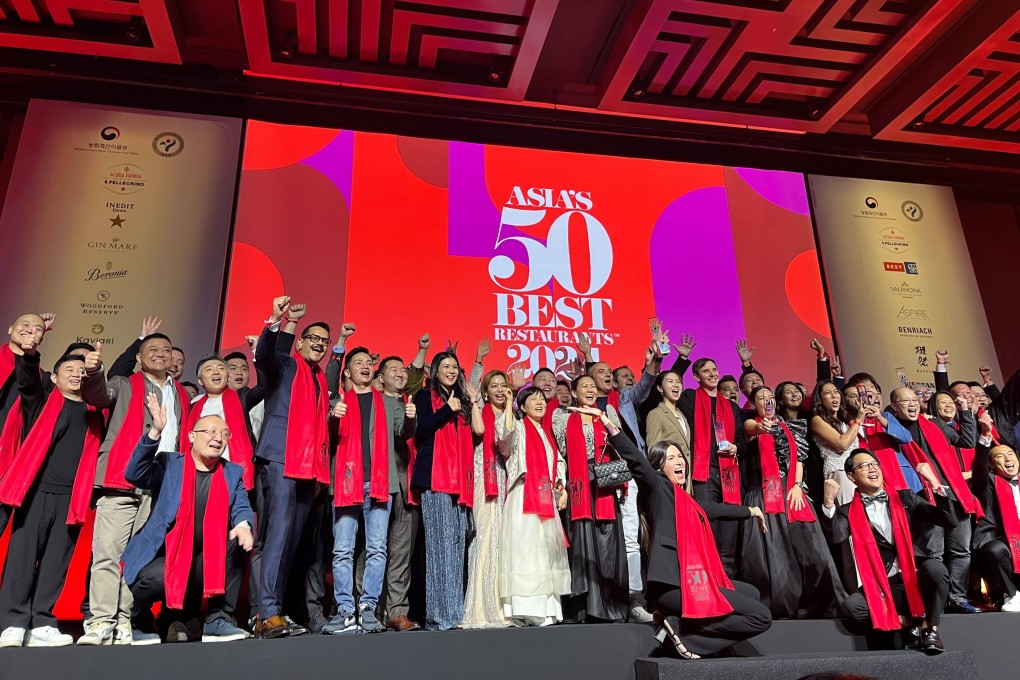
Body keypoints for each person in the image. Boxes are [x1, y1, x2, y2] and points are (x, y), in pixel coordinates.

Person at [604, 407, 771, 658]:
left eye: (680, 456)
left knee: (752, 593)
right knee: (761, 617)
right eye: (671, 458)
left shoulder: (689, 503)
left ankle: (682, 626)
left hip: (693, 583)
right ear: (659, 467)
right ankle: (688, 637)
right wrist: (608, 424)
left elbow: (716, 509)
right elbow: (636, 461)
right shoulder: (658, 489)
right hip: (671, 587)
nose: (680, 461)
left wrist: (752, 511)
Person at [80, 333, 192, 645]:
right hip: (121, 480)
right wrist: (93, 371)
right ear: (139, 358)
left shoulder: (181, 394)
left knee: (136, 560)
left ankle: (123, 620)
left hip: (159, 488)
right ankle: (101, 620)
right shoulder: (125, 383)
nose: (160, 354)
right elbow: (98, 396)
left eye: (166, 350)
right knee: (107, 554)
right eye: (152, 350)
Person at [122, 395, 253, 643]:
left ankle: (218, 619)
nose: (218, 438)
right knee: (157, 577)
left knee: (237, 541)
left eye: (225, 434)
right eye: (211, 431)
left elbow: (242, 508)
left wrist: (244, 525)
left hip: (203, 560)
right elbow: (134, 474)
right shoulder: (170, 463)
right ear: (192, 436)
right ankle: (139, 617)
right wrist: (155, 432)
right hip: (163, 556)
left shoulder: (232, 472)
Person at [0, 353, 101, 648]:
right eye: (68, 369)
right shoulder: (43, 403)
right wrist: (31, 357)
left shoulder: (97, 411)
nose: (76, 374)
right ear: (54, 378)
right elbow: (29, 382)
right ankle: (12, 623)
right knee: (21, 558)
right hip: (36, 493)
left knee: (57, 562)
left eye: (81, 371)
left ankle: (41, 622)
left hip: (72, 498)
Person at [251, 297, 332, 639]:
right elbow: (264, 356)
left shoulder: (319, 379)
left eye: (324, 342)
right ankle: (265, 612)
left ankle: (277, 611)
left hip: (307, 465)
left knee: (293, 542)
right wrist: (278, 319)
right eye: (313, 338)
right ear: (300, 342)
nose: (319, 344)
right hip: (282, 456)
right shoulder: (286, 365)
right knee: (278, 536)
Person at [821, 449, 955, 654]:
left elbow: (947, 520)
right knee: (852, 608)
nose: (872, 469)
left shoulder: (906, 497)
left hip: (914, 577)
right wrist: (829, 503)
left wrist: (936, 485)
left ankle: (930, 628)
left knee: (936, 570)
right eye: (864, 466)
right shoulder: (847, 510)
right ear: (851, 477)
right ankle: (910, 622)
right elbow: (835, 536)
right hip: (883, 582)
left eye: (874, 464)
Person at [324, 347, 413, 635]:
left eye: (368, 363)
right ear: (347, 372)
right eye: (357, 363)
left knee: (377, 549)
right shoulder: (339, 403)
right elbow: (326, 435)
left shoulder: (388, 402)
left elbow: (404, 432)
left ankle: (368, 608)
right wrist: (332, 416)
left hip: (378, 484)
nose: (364, 366)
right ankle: (345, 610)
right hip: (346, 484)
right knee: (342, 551)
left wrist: (411, 416)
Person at [737, 386, 845, 618]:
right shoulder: (750, 424)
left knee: (811, 547)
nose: (767, 401)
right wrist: (763, 426)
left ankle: (817, 604)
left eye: (769, 397)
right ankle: (778, 607)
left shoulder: (787, 426)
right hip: (764, 494)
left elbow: (798, 461)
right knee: (775, 553)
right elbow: (755, 428)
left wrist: (797, 486)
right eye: (760, 398)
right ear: (753, 404)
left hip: (791, 490)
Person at [886, 385, 984, 614]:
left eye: (914, 400)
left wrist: (966, 412)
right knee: (933, 552)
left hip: (955, 494)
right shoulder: (892, 428)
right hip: (925, 497)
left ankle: (958, 597)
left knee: (961, 550)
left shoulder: (934, 424)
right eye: (905, 401)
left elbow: (967, 441)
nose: (912, 404)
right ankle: (935, 600)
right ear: (893, 406)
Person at [411, 351, 483, 631]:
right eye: (446, 366)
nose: (451, 371)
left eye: (455, 366)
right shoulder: (423, 397)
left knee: (455, 547)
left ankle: (455, 611)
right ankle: (438, 614)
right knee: (439, 548)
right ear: (435, 371)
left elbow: (478, 433)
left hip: (459, 482)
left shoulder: (463, 402)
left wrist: (467, 402)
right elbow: (419, 430)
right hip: (434, 479)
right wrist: (446, 410)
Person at [552, 375, 628, 623]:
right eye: (584, 386)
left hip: (604, 480)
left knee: (607, 541)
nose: (590, 390)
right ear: (574, 392)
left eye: (593, 387)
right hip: (580, 482)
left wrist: (602, 419)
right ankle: (583, 608)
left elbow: (619, 442)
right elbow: (562, 450)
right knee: (582, 541)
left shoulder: (607, 412)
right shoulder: (563, 418)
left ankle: (609, 605)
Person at [496, 385, 570, 626]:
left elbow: (557, 462)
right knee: (526, 552)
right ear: (523, 406)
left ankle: (547, 609)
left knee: (546, 552)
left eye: (542, 399)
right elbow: (504, 439)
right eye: (533, 399)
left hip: (546, 497)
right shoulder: (518, 426)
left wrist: (562, 487)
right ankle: (526, 609)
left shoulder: (546, 433)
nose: (539, 402)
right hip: (524, 495)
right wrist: (509, 404)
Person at [677, 357, 744, 574]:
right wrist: (681, 359)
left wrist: (736, 447)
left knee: (729, 527)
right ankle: (709, 575)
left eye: (714, 369)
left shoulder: (732, 407)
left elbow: (743, 439)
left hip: (728, 472)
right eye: (706, 371)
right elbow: (672, 383)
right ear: (697, 377)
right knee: (707, 523)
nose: (712, 374)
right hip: (702, 472)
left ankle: (729, 576)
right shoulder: (689, 398)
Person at [463, 370, 511, 628]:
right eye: (494, 386)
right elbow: (479, 430)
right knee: (483, 540)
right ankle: (479, 608)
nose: (500, 390)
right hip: (484, 479)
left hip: (506, 481)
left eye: (504, 385)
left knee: (502, 543)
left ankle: (503, 607)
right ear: (486, 391)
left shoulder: (512, 415)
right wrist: (473, 402)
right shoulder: (480, 409)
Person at [376, 355, 421, 632]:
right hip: (379, 484)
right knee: (372, 549)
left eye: (403, 370)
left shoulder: (408, 405)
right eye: (393, 369)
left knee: (401, 553)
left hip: (406, 487)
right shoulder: (373, 401)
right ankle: (368, 608)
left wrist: (410, 420)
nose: (400, 373)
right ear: (380, 378)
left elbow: (404, 431)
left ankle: (397, 611)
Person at [0, 312, 50, 535]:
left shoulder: (42, 379)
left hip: (7, 465)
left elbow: (31, 396)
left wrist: (30, 354)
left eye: (38, 329)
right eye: (25, 325)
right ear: (10, 328)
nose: (31, 330)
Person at [185, 355, 259, 492]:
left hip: (233, 473)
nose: (216, 372)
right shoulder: (193, 407)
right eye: (209, 369)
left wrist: (256, 353)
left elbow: (264, 386)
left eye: (221, 368)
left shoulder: (241, 397)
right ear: (200, 381)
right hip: (200, 474)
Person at [971, 444, 1020, 611]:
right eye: (1000, 456)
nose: (1007, 459)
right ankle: (1011, 595)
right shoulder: (988, 482)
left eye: (1010, 454)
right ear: (991, 464)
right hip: (1000, 539)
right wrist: (984, 442)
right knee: (996, 550)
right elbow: (979, 473)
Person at [810, 381, 863, 505]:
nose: (834, 396)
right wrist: (859, 420)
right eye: (828, 393)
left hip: (855, 470)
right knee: (849, 510)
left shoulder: (844, 419)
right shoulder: (817, 420)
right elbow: (842, 444)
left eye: (836, 392)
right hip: (839, 472)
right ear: (820, 400)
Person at [643, 370, 691, 457]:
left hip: (685, 468)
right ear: (660, 388)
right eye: (670, 381)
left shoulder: (681, 414)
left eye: (678, 382)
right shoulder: (656, 414)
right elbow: (654, 449)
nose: (676, 385)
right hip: (668, 468)